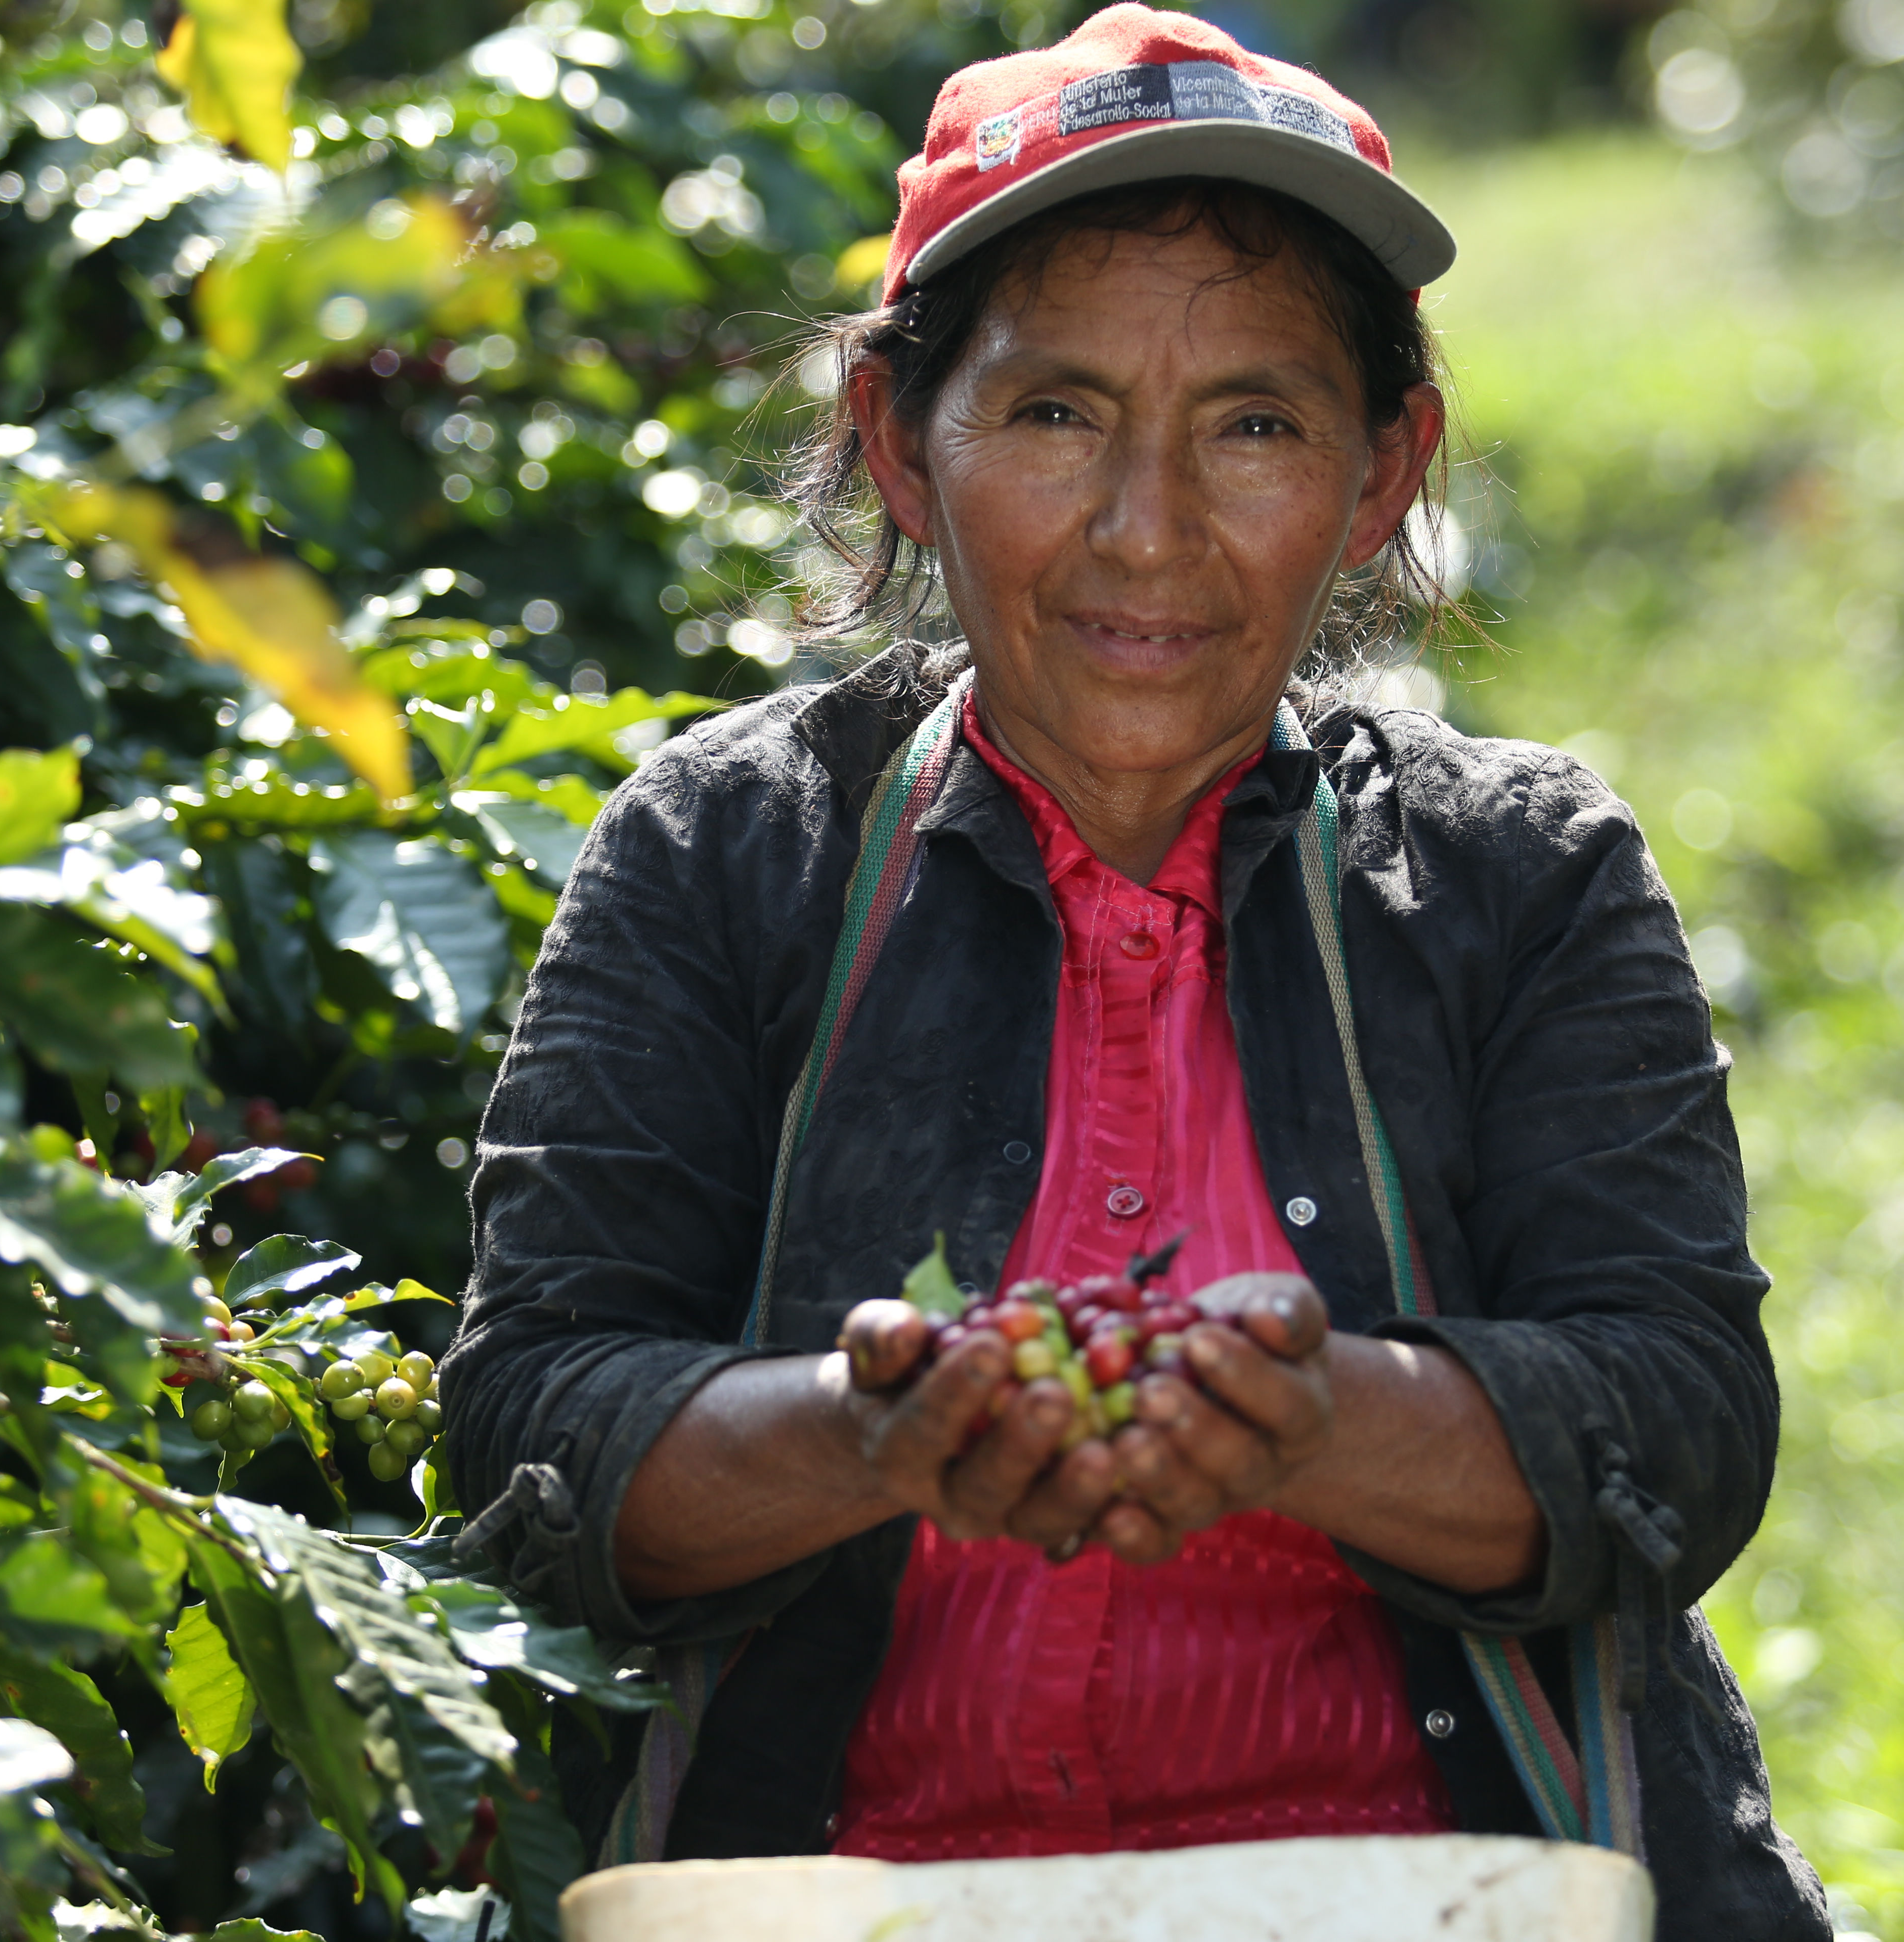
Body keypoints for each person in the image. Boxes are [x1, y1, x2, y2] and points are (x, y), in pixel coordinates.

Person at [446, 8, 1828, 1935]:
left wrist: (1323, 1417)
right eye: (1057, 412)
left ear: (1379, 473)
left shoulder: (1522, 876)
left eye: (1254, 424)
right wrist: (872, 1435)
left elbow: (1681, 1422)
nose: (1147, 531)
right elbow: (533, 1430)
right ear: (901, 450)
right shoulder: (727, 856)